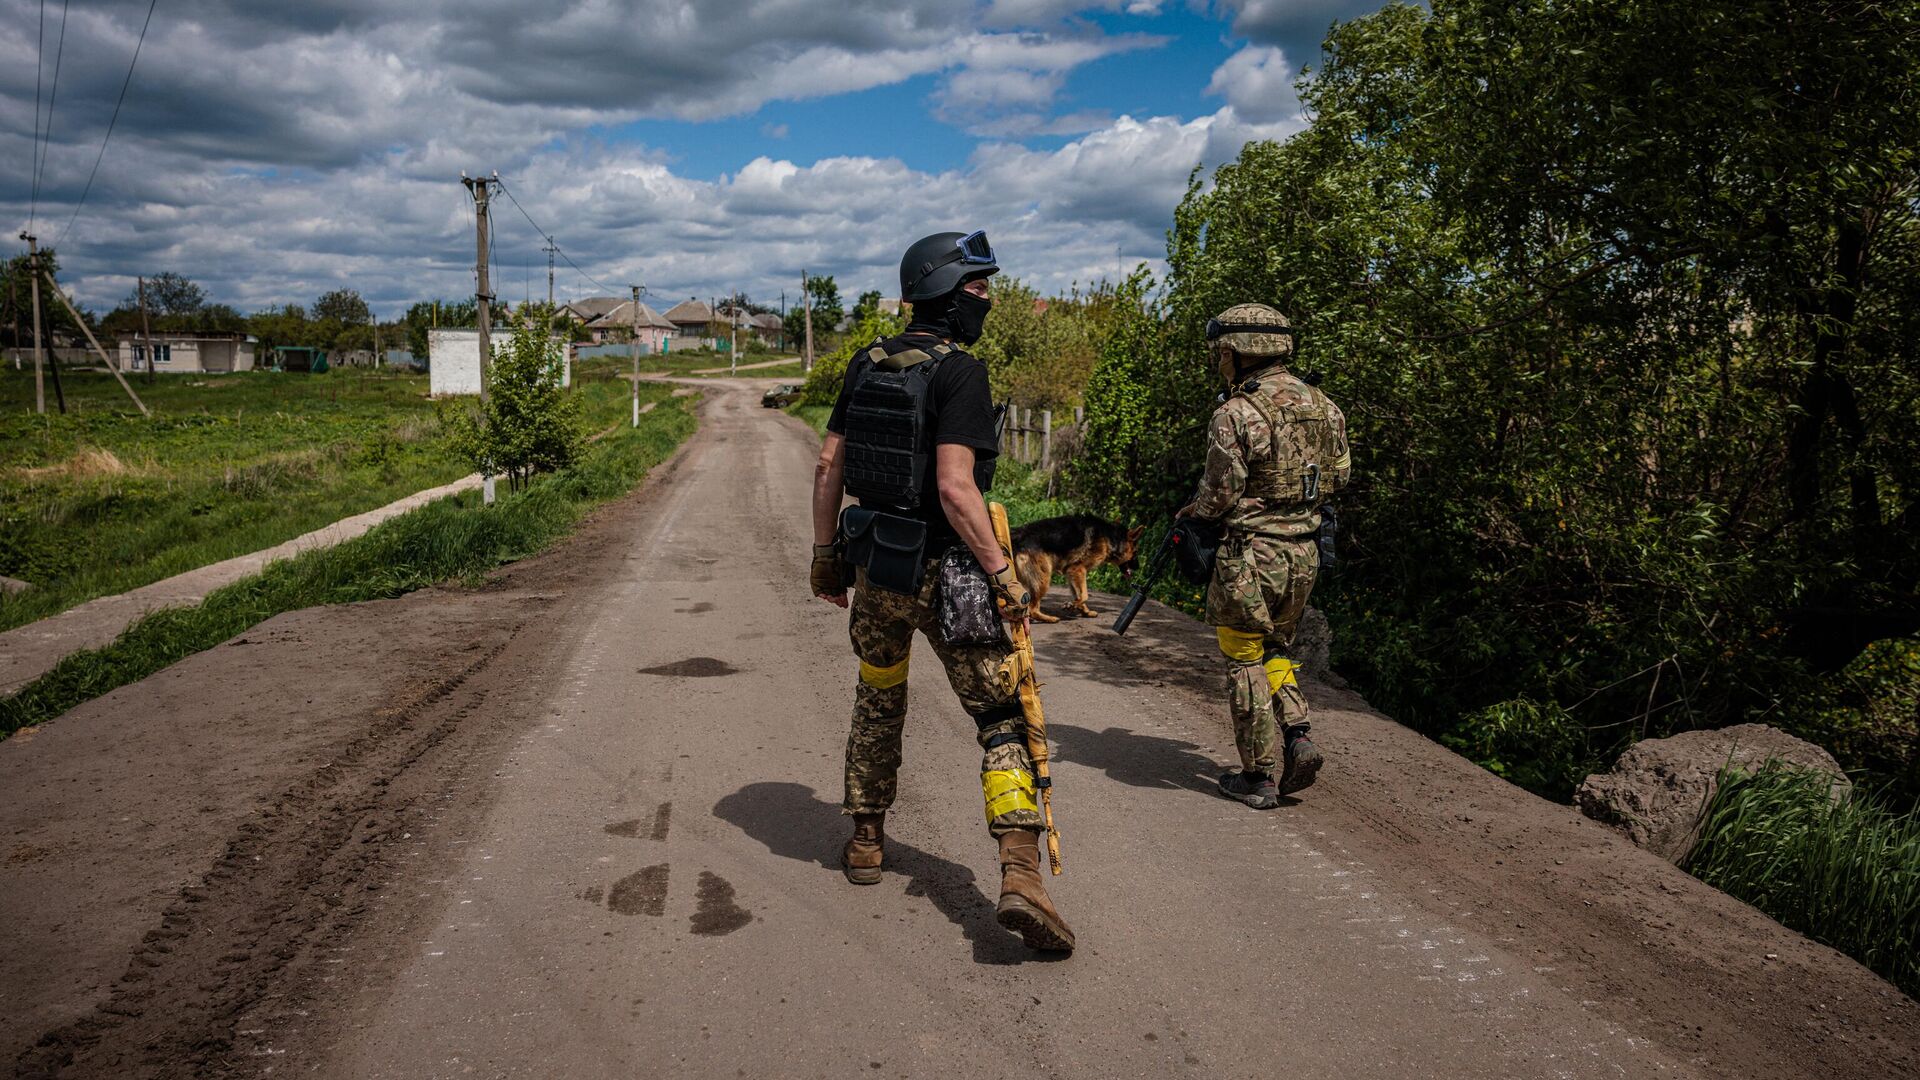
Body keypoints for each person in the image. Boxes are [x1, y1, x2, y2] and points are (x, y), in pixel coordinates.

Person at [808, 230, 1074, 952]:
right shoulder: (961, 372)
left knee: (878, 692)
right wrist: (1004, 576)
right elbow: (957, 490)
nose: (987, 300)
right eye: (980, 289)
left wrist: (826, 555)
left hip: (880, 567)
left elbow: (829, 462)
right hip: (954, 572)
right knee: (1002, 718)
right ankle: (1021, 874)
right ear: (950, 295)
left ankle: (866, 840)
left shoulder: (867, 362)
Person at [1179, 303, 1351, 810]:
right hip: (1304, 552)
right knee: (1276, 645)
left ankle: (1259, 776)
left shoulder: (1235, 412)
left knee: (1243, 657)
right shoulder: (1324, 404)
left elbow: (1217, 494)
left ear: (1235, 350)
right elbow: (1339, 475)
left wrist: (1194, 514)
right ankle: (1297, 731)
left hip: (1249, 555)